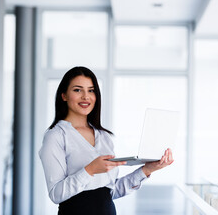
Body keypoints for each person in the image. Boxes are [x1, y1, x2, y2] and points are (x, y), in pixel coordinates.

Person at [39, 66, 174, 215]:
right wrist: (89, 170)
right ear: (63, 95)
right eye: (78, 90)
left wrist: (147, 169)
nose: (86, 96)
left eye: (91, 90)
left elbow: (112, 191)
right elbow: (56, 194)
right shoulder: (56, 136)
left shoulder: (104, 136)